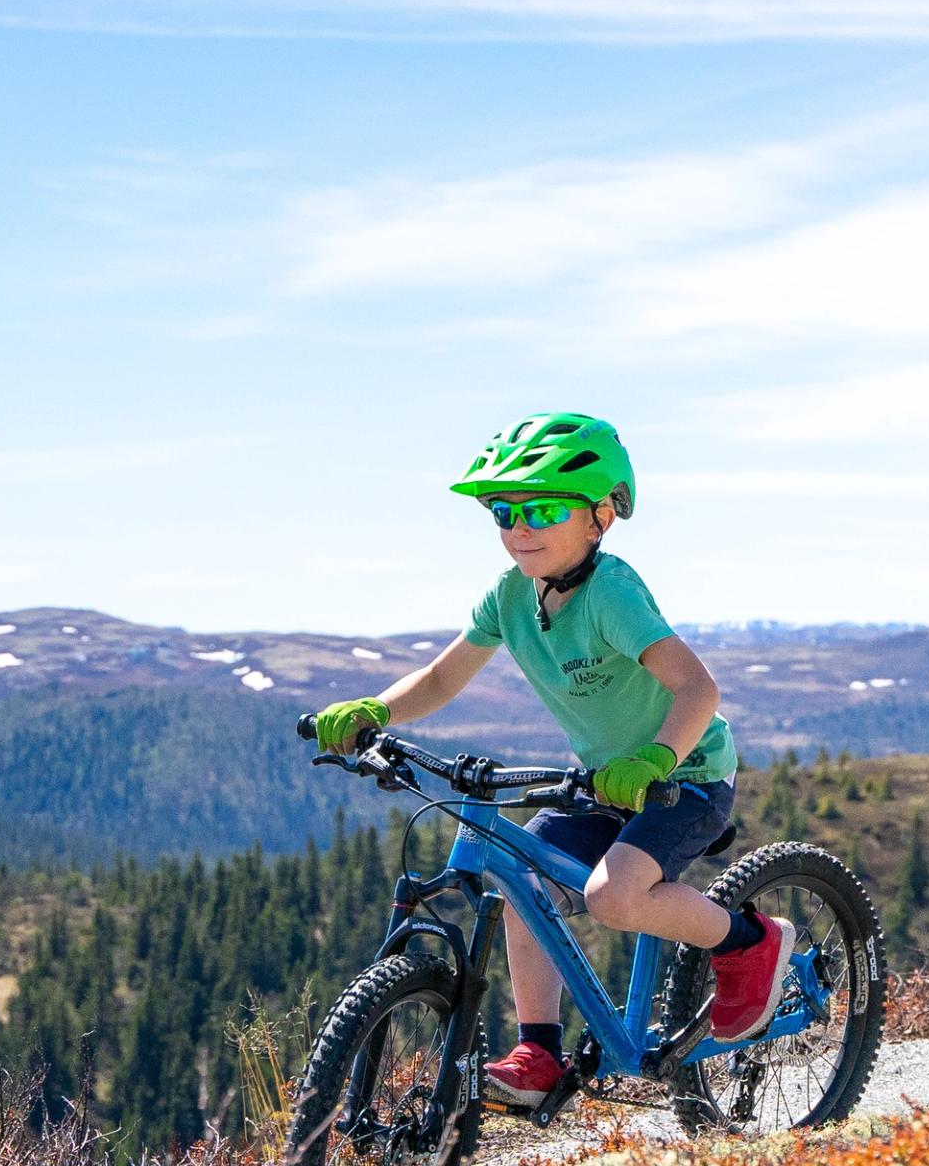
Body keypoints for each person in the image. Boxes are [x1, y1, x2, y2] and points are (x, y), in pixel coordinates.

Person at [306, 415, 791, 1109]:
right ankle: (540, 1052)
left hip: (685, 776)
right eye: (504, 511)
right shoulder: (510, 595)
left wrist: (657, 757)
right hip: (603, 783)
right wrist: (377, 710)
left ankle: (748, 940)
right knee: (521, 888)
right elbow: (443, 679)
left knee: (614, 897)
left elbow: (698, 687)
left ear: (601, 516)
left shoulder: (611, 593)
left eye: (541, 509)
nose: (518, 527)